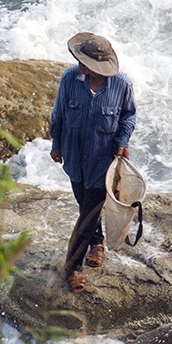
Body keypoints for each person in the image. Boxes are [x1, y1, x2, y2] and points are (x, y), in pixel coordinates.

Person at [48, 32, 136, 292]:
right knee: (84, 203)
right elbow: (59, 115)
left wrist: (123, 140)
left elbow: (129, 116)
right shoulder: (69, 79)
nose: (80, 64)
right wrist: (56, 145)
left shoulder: (121, 85)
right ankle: (97, 242)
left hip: (103, 161)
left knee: (87, 213)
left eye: (85, 62)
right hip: (74, 158)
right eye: (80, 60)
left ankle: (72, 267)